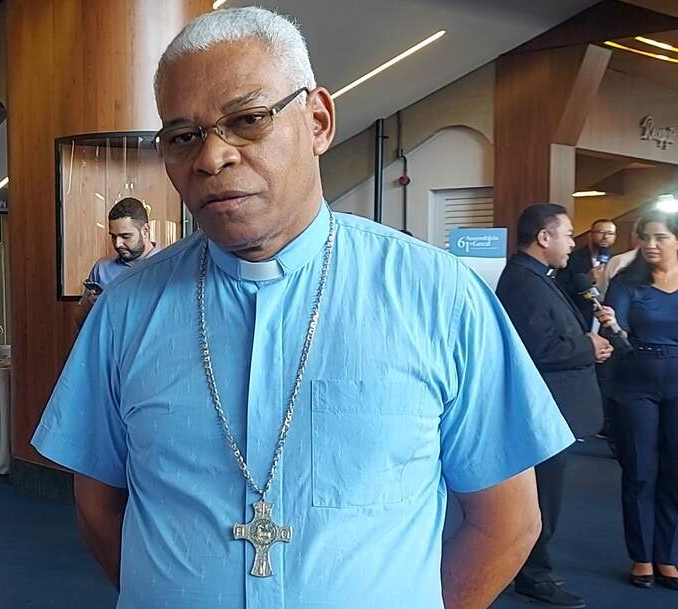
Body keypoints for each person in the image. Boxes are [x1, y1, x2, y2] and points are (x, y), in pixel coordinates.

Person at [32, 7, 571, 609]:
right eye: (183, 137)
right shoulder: (125, 311)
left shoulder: (439, 297)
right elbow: (99, 509)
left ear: (318, 121)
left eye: (247, 120)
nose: (211, 157)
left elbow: (506, 521)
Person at [495, 203, 610, 608]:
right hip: (544, 410)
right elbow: (540, 348)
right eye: (568, 234)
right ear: (544, 237)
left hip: (554, 409)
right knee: (542, 498)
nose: (573, 243)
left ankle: (530, 569)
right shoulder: (523, 283)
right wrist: (588, 347)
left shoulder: (538, 277)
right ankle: (532, 575)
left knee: (545, 495)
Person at [602, 209, 678, 590]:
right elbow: (616, 334)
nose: (650, 245)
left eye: (660, 237)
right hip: (635, 382)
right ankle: (642, 556)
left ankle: (669, 555)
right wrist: (613, 327)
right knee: (640, 471)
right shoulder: (625, 281)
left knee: (674, 472)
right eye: (644, 237)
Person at [79, 197, 159, 308]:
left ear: (145, 230)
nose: (117, 244)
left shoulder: (167, 267)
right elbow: (80, 317)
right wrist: (86, 306)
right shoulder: (101, 268)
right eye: (113, 236)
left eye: (125, 236)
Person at [557, 218, 617, 327]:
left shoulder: (617, 261)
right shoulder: (571, 258)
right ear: (590, 235)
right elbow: (560, 289)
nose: (605, 237)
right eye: (601, 232)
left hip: (608, 319)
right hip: (579, 318)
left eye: (610, 233)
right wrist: (587, 279)